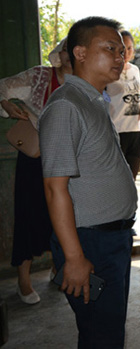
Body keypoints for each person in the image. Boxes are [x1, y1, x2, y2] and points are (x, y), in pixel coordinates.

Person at [40, 16, 138, 348]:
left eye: (122, 51)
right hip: (90, 243)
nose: (119, 57)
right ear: (79, 52)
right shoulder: (67, 105)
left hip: (112, 238)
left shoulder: (94, 100)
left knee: (108, 331)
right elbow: (55, 188)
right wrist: (74, 257)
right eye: (109, 48)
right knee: (101, 336)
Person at [0, 40, 72, 304]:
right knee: (29, 214)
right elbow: (3, 86)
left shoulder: (86, 81)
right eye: (64, 49)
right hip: (35, 158)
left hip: (68, 159)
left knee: (63, 215)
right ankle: (24, 280)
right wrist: (7, 106)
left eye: (73, 49)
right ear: (59, 52)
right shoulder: (41, 75)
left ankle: (58, 269)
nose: (68, 55)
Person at [107, 30, 140, 179]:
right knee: (116, 180)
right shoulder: (107, 70)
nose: (126, 52)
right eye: (122, 48)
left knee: (132, 179)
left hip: (136, 130)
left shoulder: (136, 70)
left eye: (129, 48)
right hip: (116, 131)